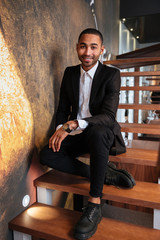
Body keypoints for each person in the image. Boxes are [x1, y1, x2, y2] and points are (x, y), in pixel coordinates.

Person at [40, 28, 135, 240]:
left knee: (99, 132)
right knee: (46, 155)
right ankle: (102, 174)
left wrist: (73, 124)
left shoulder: (112, 75)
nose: (87, 52)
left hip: (99, 134)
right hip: (77, 134)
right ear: (77, 48)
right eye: (83, 46)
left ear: (102, 50)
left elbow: (108, 116)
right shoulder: (70, 73)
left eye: (93, 47)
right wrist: (59, 131)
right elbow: (63, 109)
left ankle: (94, 204)